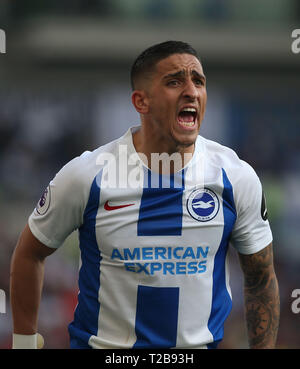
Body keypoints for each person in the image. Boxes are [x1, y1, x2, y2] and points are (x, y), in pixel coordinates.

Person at [10, 40, 280, 349]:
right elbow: (30, 253)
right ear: (141, 101)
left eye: (199, 81)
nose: (191, 91)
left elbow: (260, 277)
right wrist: (24, 344)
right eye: (174, 81)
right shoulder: (87, 175)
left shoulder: (236, 176)